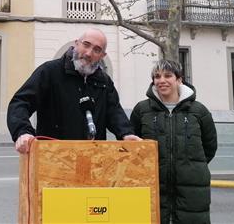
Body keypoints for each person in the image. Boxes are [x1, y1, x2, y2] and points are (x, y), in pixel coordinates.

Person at [7, 28, 141, 153]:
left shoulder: (104, 82)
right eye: (86, 45)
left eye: (96, 50)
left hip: (94, 159)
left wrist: (126, 134)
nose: (89, 53)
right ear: (76, 43)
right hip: (53, 157)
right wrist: (23, 132)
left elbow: (114, 112)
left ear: (102, 55)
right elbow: (20, 103)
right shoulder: (50, 72)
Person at [130, 59, 217, 224]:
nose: (161, 80)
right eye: (157, 76)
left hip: (192, 192)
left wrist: (189, 167)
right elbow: (132, 147)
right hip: (153, 187)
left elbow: (209, 147)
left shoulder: (199, 111)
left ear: (179, 79)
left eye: (167, 75)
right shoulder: (141, 110)